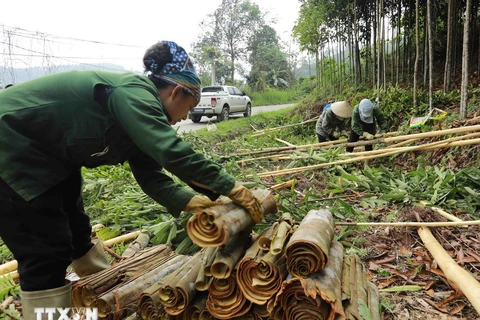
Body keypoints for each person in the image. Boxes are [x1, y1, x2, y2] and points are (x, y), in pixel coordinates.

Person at [0, 41, 263, 319]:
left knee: (77, 230)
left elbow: (151, 176)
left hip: (49, 156)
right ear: (176, 92)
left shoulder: (141, 113)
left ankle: (102, 296)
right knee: (46, 249)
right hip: (11, 145)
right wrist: (234, 188)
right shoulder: (135, 95)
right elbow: (170, 150)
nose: (186, 116)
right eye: (190, 105)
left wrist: (194, 202)